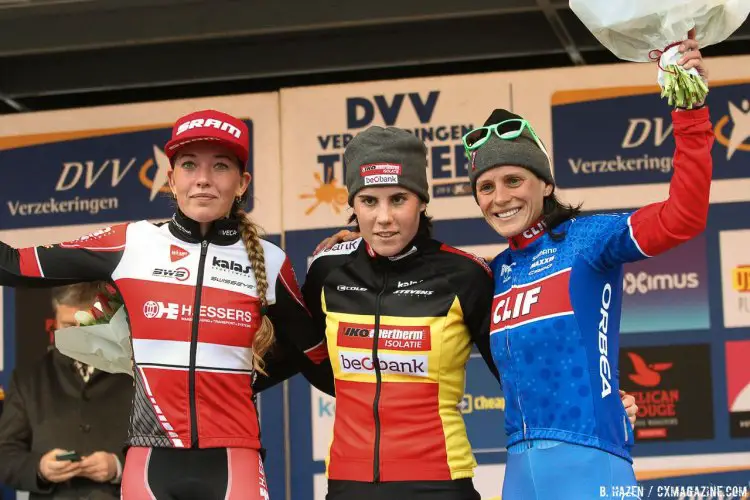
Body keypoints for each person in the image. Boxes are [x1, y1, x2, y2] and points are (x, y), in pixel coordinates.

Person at [0, 109, 329, 499]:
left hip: (234, 458)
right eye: (189, 165)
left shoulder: (272, 262)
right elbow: (13, 266)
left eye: (220, 166)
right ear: (171, 180)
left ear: (242, 183)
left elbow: (316, 357)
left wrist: (249, 379)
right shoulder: (132, 242)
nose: (203, 179)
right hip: (150, 459)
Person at [304, 127, 638, 500]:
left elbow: (514, 370)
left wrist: (599, 402)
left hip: (440, 481)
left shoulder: (466, 275)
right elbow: (305, 354)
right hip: (348, 483)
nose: (384, 218)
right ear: (353, 205)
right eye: (368, 201)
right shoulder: (327, 271)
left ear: (422, 201)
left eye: (399, 199)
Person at [461, 37, 713, 499]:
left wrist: (690, 112)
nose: (500, 198)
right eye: (486, 187)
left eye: (514, 180)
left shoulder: (588, 239)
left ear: (546, 182)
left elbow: (685, 217)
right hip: (518, 470)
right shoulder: (492, 273)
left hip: (593, 460)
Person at [0, 282, 133, 500]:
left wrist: (118, 467)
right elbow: (5, 455)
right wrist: (40, 468)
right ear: (55, 320)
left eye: (87, 327)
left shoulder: (136, 375)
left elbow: (162, 453)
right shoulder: (28, 379)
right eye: (68, 326)